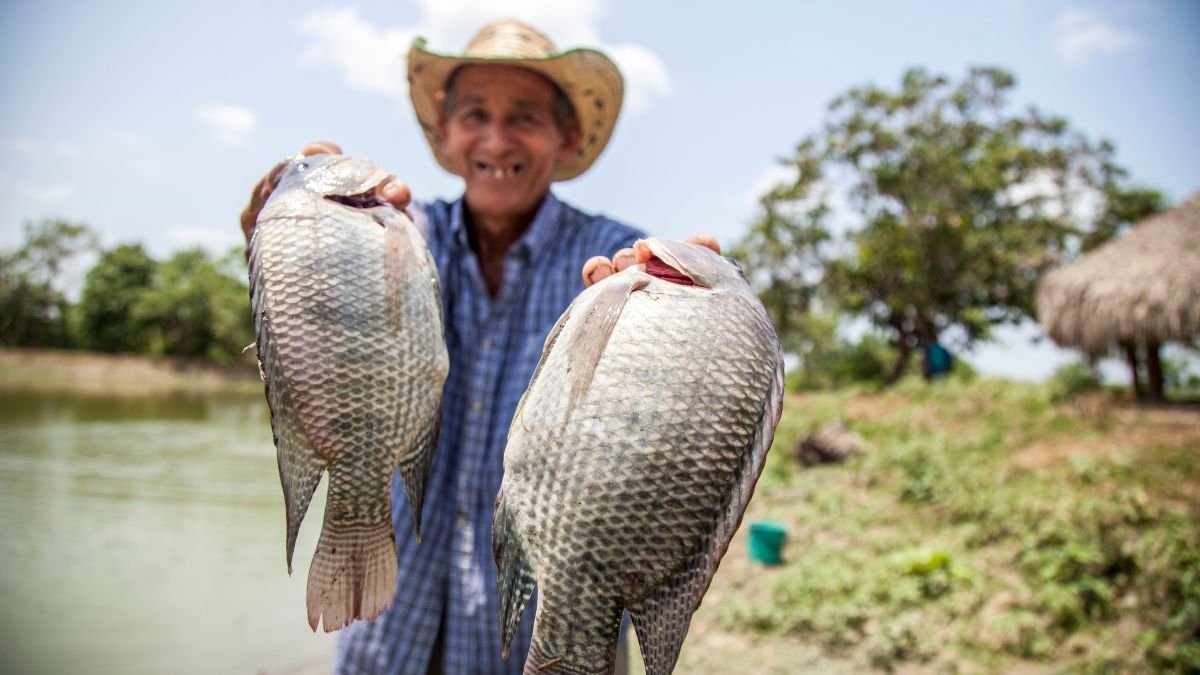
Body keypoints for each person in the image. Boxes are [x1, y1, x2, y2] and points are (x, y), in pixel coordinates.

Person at [239, 19, 717, 674]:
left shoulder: (620, 271)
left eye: (523, 117)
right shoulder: (395, 235)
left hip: (544, 649)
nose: (496, 139)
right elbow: (311, 353)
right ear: (444, 131)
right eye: (475, 115)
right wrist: (285, 247)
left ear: (566, 135)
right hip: (386, 637)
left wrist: (693, 337)